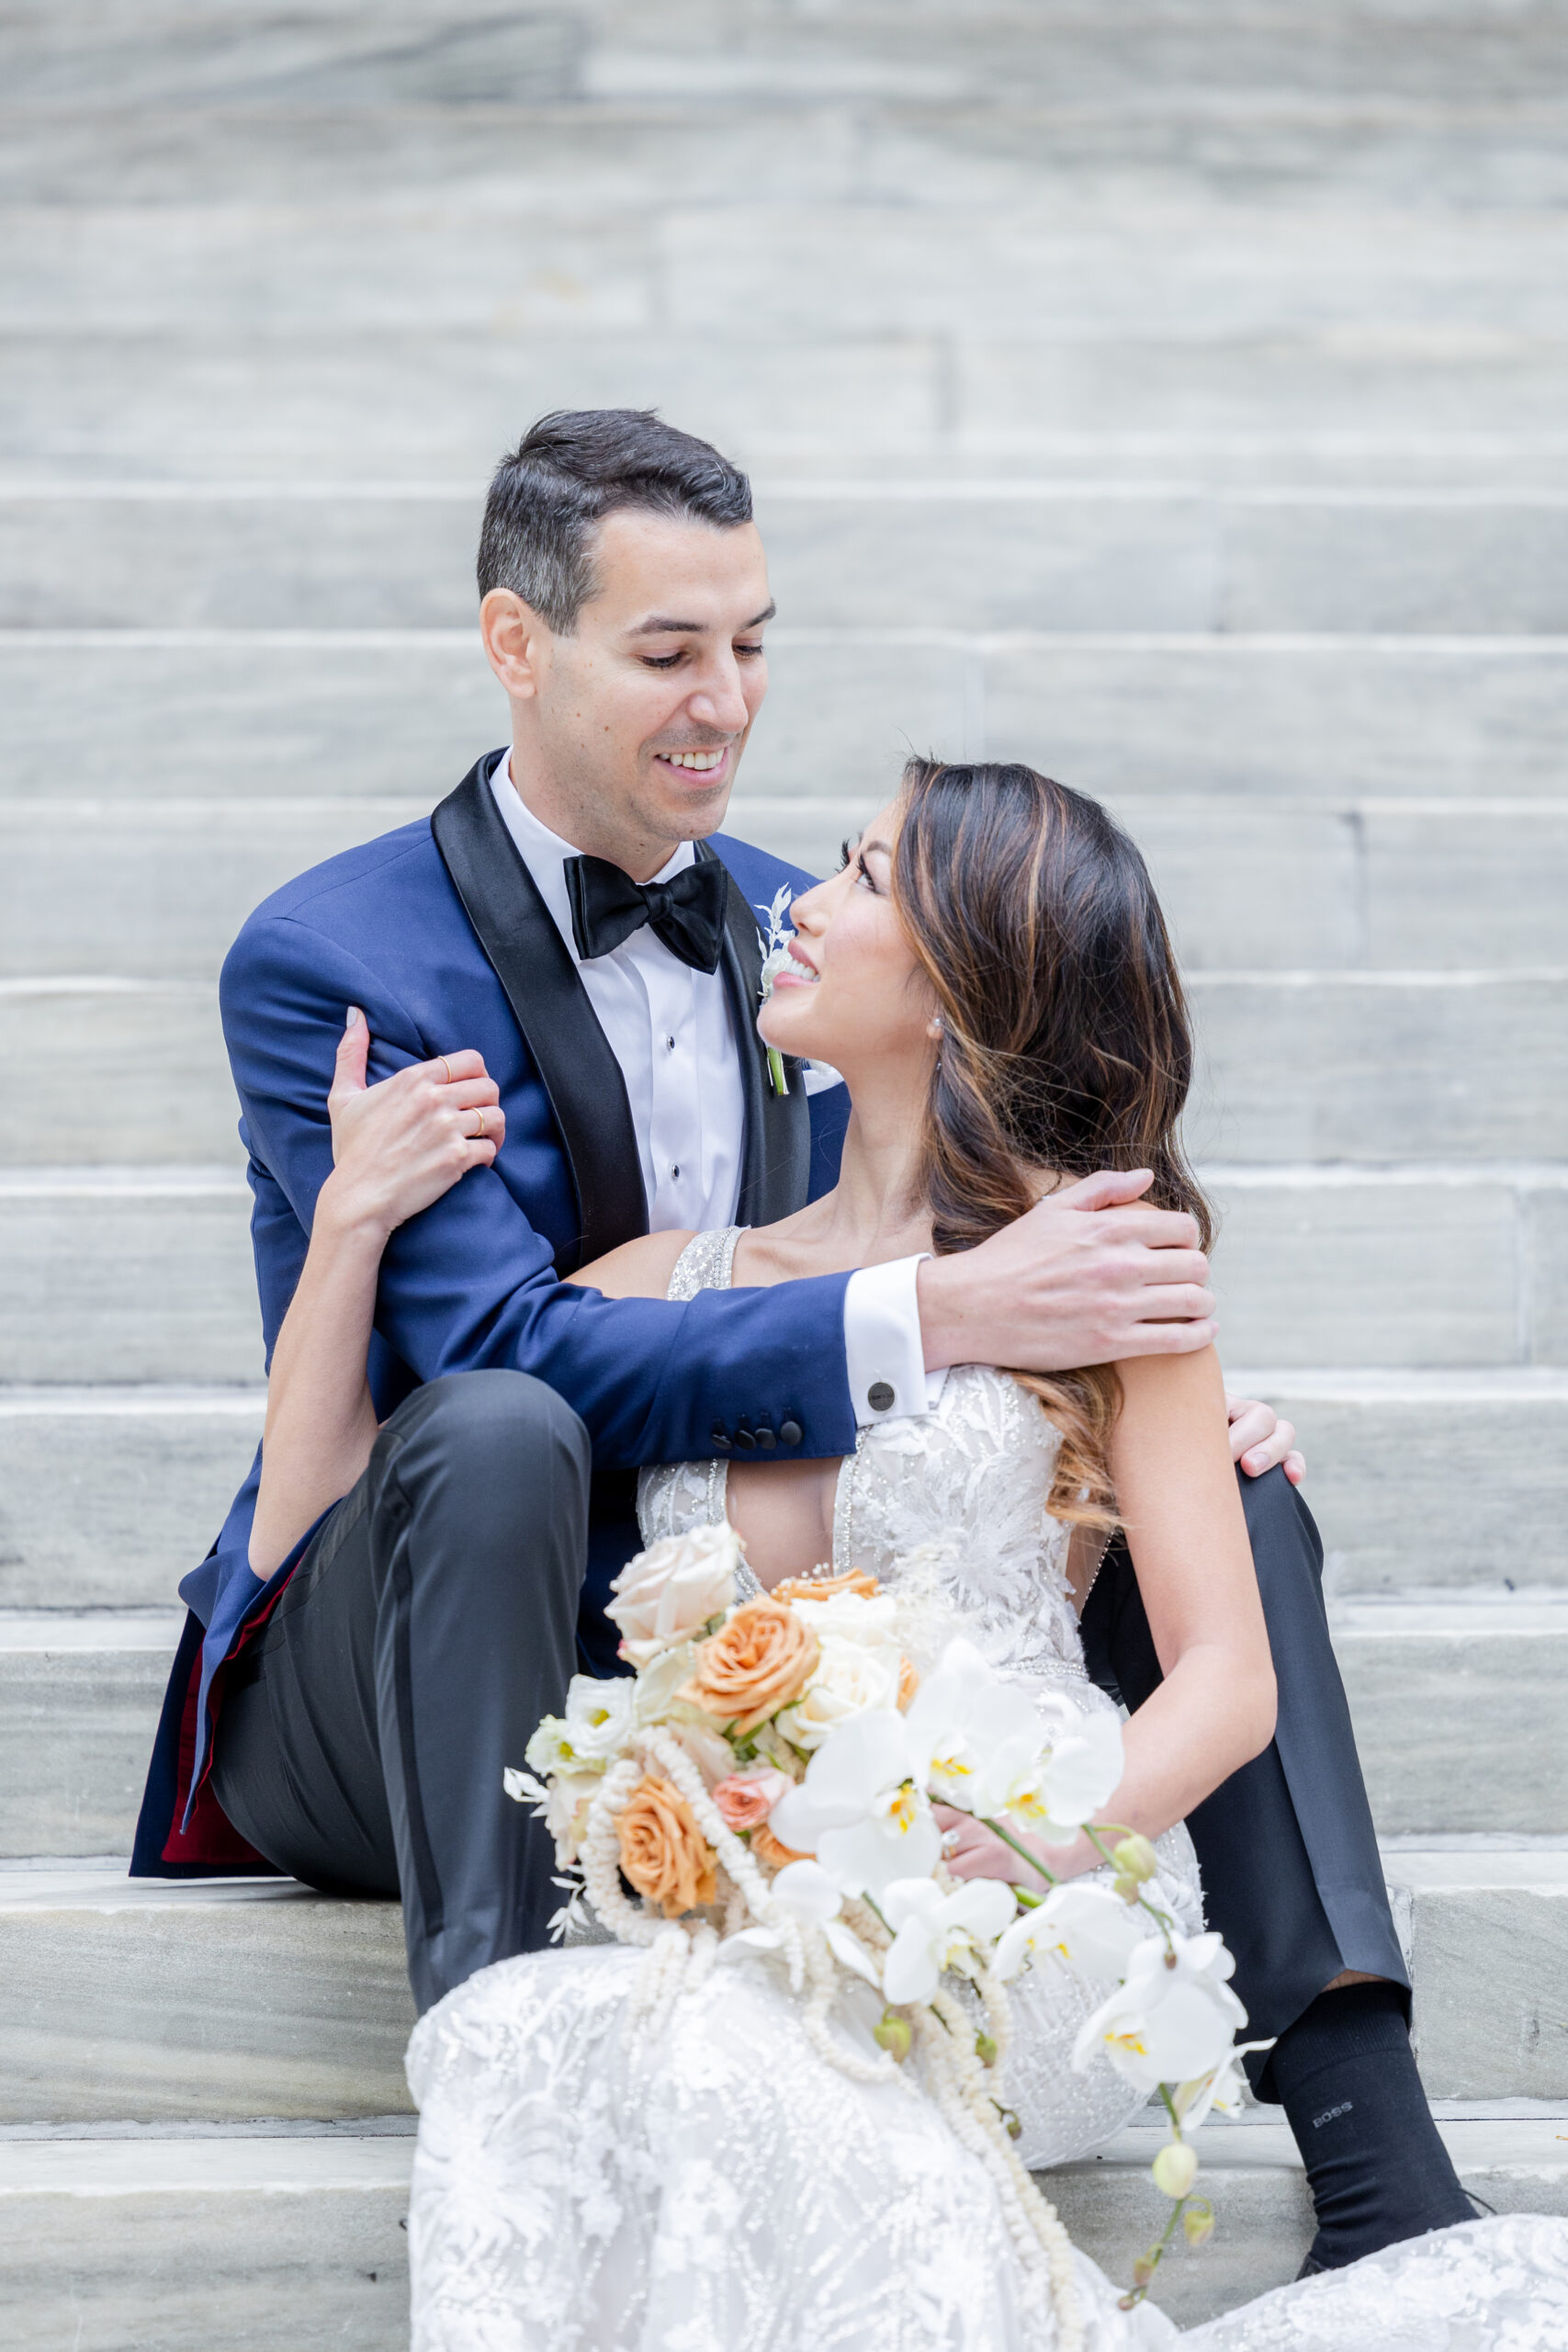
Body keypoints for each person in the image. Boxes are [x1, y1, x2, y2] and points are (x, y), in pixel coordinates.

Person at [130, 411, 1455, 2273]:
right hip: (430, 1612)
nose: (726, 700)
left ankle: (1374, 2149)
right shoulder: (337, 952)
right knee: (507, 1423)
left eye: (751, 642)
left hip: (768, 1612)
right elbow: (500, 1358)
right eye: (669, 652)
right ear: (518, 642)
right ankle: (518, 2080)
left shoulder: (784, 931)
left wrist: (1114, 1406)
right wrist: (942, 1315)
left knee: (1232, 1506)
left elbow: (911, 1241)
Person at [253, 760, 1562, 2348]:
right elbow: (333, 1519)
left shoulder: (1103, 1277)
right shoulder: (677, 1283)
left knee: (744, 2059)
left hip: (1024, 1895)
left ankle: (1374, 2152)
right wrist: (345, 1236)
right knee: (689, 2045)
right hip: (755, 1902)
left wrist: (1036, 1846)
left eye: (861, 876)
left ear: (954, 996)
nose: (791, 896)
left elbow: (1224, 1677)